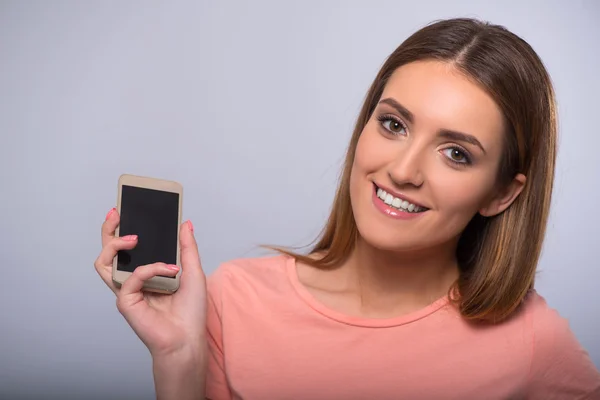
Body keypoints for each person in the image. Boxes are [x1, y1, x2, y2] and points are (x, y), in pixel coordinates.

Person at [95, 17, 600, 399]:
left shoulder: (533, 342)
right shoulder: (234, 299)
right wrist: (180, 358)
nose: (404, 170)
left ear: (502, 194)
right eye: (394, 125)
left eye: (456, 154)